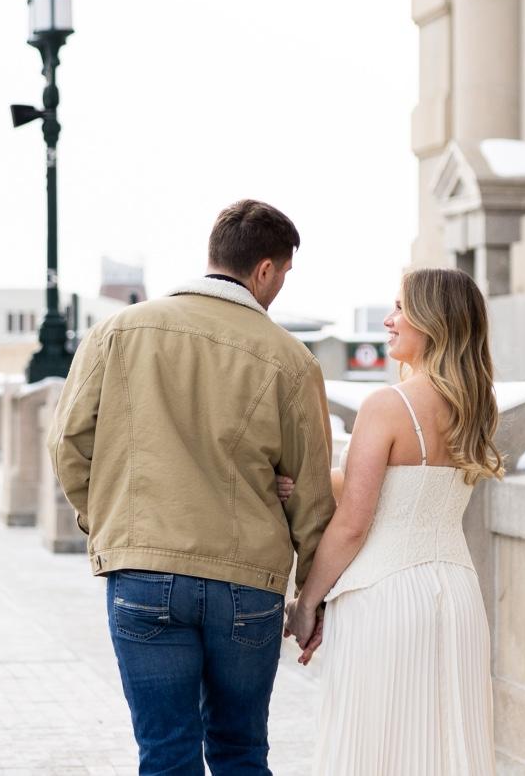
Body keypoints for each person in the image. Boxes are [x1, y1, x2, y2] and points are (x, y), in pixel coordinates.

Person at [47, 199, 335, 775]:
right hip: (247, 582)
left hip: (143, 569)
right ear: (264, 270)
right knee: (240, 750)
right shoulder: (291, 360)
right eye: (283, 273)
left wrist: (107, 523)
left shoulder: (119, 332)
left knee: (165, 753)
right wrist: (310, 596)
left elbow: (67, 445)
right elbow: (311, 496)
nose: (280, 286)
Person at [285, 266, 503, 776]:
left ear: (433, 320)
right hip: (457, 596)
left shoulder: (388, 404)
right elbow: (402, 490)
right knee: (445, 749)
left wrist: (308, 602)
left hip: (384, 600)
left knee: (375, 751)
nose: (388, 319)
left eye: (401, 307)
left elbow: (352, 525)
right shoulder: (476, 407)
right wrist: (308, 483)